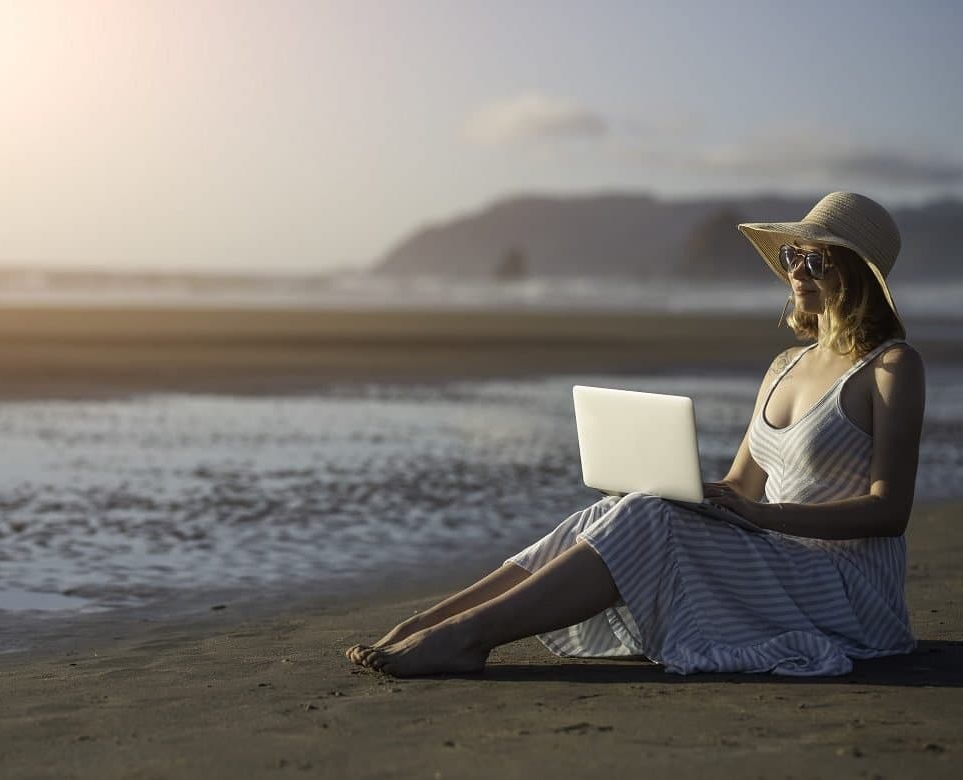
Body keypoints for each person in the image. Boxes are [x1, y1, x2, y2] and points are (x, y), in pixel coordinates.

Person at [347, 192, 925, 678]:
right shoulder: (784, 366)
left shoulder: (890, 366)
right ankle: (436, 622)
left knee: (649, 518)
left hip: (847, 591)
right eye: (795, 256)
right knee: (623, 507)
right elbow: (741, 485)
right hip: (781, 561)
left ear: (856, 274)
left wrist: (764, 518)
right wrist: (696, 495)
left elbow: (888, 511)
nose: (796, 270)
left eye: (816, 260)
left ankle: (471, 637)